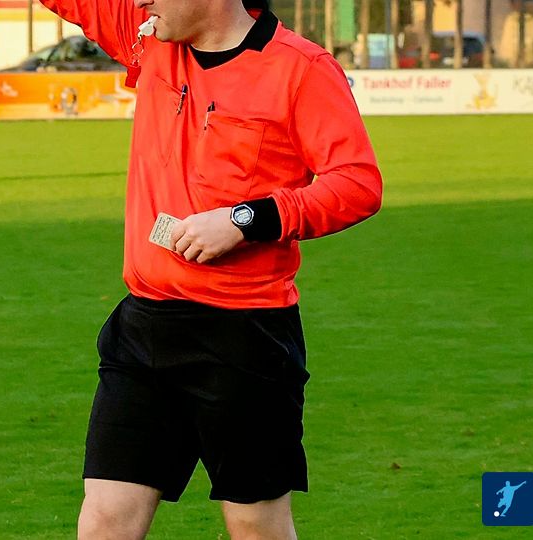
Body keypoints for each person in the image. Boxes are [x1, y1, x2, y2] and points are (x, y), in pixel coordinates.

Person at [37, 0, 383, 537]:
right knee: (105, 517)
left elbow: (357, 183)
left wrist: (245, 219)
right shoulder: (150, 40)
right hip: (144, 329)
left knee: (254, 522)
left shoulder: (302, 69)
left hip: (244, 338)